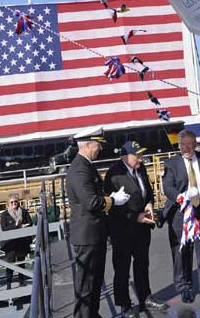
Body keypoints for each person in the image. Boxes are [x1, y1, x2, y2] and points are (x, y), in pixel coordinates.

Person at [66, 130, 130, 318]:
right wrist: (112, 200)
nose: (100, 148)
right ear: (87, 145)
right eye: (98, 144)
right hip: (87, 235)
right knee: (86, 284)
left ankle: (92, 314)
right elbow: (90, 202)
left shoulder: (87, 166)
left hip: (95, 233)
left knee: (95, 281)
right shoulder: (79, 169)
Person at [105, 141, 167, 316]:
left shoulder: (141, 169)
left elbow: (148, 191)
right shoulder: (114, 174)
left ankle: (145, 297)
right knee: (122, 268)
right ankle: (124, 304)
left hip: (141, 228)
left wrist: (149, 204)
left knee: (142, 264)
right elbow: (112, 207)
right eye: (137, 155)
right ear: (126, 156)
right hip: (122, 230)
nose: (141, 158)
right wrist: (134, 217)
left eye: (141, 155)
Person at [162, 129, 200, 303]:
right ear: (178, 146)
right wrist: (182, 199)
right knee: (182, 252)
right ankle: (184, 287)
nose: (186, 148)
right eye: (182, 144)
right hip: (181, 212)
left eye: (189, 144)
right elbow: (168, 188)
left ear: (195, 144)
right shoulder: (171, 164)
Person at [0, 193, 32, 292]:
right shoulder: (4, 214)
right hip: (10, 243)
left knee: (21, 262)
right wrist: (16, 226)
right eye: (12, 202)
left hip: (22, 242)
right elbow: (4, 228)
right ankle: (8, 284)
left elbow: (30, 223)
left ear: (18, 202)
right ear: (8, 203)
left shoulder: (24, 212)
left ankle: (21, 282)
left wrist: (25, 226)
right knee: (10, 263)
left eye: (16, 201)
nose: (14, 203)